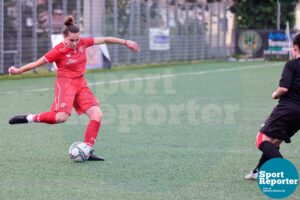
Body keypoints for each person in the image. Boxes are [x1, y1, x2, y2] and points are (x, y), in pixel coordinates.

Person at [8, 16, 140, 161]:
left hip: (81, 84)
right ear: (64, 37)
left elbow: (105, 39)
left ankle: (87, 150)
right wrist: (18, 70)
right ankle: (29, 117)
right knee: (61, 118)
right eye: (72, 40)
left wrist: (126, 42)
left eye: (77, 39)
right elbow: (36, 63)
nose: (75, 43)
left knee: (97, 115)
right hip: (65, 84)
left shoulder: (82, 43)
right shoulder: (58, 51)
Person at [245, 33, 300, 180]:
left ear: (295, 48)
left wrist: (275, 94)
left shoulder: (292, 64)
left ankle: (284, 170)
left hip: (287, 109)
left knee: (261, 140)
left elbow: (284, 88)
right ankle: (258, 171)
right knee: (275, 141)